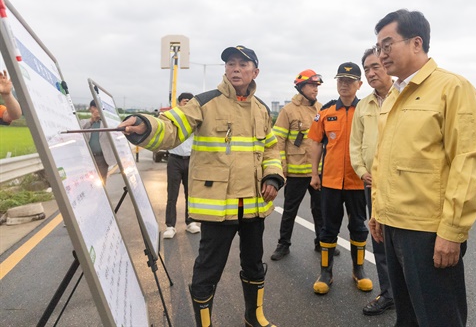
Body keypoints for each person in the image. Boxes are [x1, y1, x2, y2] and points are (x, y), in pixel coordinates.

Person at [120, 45, 285, 327]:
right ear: (225, 70)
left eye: (243, 65)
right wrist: (147, 126)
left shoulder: (260, 109)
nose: (235, 68)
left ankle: (253, 316)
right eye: (231, 64)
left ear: (255, 72)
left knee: (255, 265)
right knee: (207, 271)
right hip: (218, 207)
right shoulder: (205, 102)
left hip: (254, 207)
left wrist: (272, 177)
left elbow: (271, 149)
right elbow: (172, 126)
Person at [369, 9, 476, 326]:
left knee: (438, 317)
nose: (381, 54)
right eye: (378, 47)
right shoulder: (394, 95)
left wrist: (452, 231)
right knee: (406, 317)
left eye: (387, 44)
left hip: (429, 230)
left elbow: (467, 161)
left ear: (416, 42)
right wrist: (378, 210)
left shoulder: (452, 88)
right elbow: (384, 159)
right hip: (393, 225)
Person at [308, 61, 372, 295]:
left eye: (349, 81)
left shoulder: (366, 110)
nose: (344, 85)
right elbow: (315, 143)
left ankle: (359, 270)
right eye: (340, 80)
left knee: (358, 226)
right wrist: (314, 173)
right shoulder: (325, 111)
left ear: (359, 84)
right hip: (331, 181)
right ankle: (326, 272)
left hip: (358, 181)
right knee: (328, 227)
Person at [349, 48, 395, 316]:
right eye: (366, 69)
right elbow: (356, 144)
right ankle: (389, 293)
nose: (370, 73)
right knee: (378, 239)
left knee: (404, 242)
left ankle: (410, 294)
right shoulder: (363, 105)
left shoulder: (404, 97)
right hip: (371, 184)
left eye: (375, 66)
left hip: (399, 183)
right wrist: (360, 170)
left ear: (388, 65)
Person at [270, 69, 332, 260]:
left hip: (317, 172)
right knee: (290, 210)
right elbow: (278, 139)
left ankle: (321, 243)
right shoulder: (288, 111)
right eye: (312, 85)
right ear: (301, 87)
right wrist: (281, 166)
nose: (316, 89)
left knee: (320, 210)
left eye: (317, 86)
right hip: (295, 172)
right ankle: (283, 244)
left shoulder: (321, 109)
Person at [163, 92, 200, 239]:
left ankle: (191, 222)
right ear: (179, 103)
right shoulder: (172, 116)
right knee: (172, 194)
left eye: (190, 102)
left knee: (190, 194)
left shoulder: (196, 119)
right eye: (185, 101)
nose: (188, 104)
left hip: (191, 159)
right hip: (175, 160)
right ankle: (170, 226)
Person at [81, 99, 117, 183]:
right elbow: (80, 130)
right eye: (92, 109)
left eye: (95, 108)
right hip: (88, 158)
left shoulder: (107, 123)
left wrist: (103, 118)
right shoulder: (86, 122)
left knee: (101, 181)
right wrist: (92, 120)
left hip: (102, 158)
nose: (93, 111)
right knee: (88, 181)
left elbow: (114, 131)